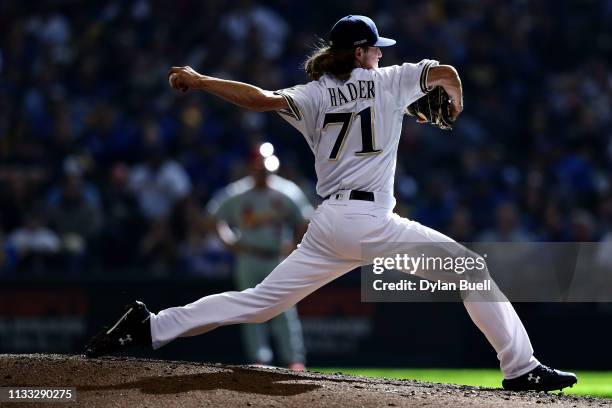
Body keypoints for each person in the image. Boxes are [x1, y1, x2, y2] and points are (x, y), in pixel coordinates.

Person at [85, 15, 576, 392]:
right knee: (470, 271)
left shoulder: (316, 93)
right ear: (361, 52)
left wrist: (200, 80)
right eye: (376, 50)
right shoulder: (389, 81)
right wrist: (456, 100)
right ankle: (521, 368)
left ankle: (149, 328)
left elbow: (259, 100)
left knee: (258, 305)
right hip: (370, 221)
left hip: (330, 223)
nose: (382, 57)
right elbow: (446, 72)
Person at [206, 148, 311, 370]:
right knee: (250, 309)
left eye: (266, 168)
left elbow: (305, 218)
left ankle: (294, 359)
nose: (263, 172)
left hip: (277, 257)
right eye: (259, 168)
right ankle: (259, 358)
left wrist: (294, 245)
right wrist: (228, 241)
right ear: (251, 167)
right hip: (249, 256)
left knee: (285, 308)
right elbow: (214, 216)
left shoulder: (286, 190)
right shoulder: (238, 192)